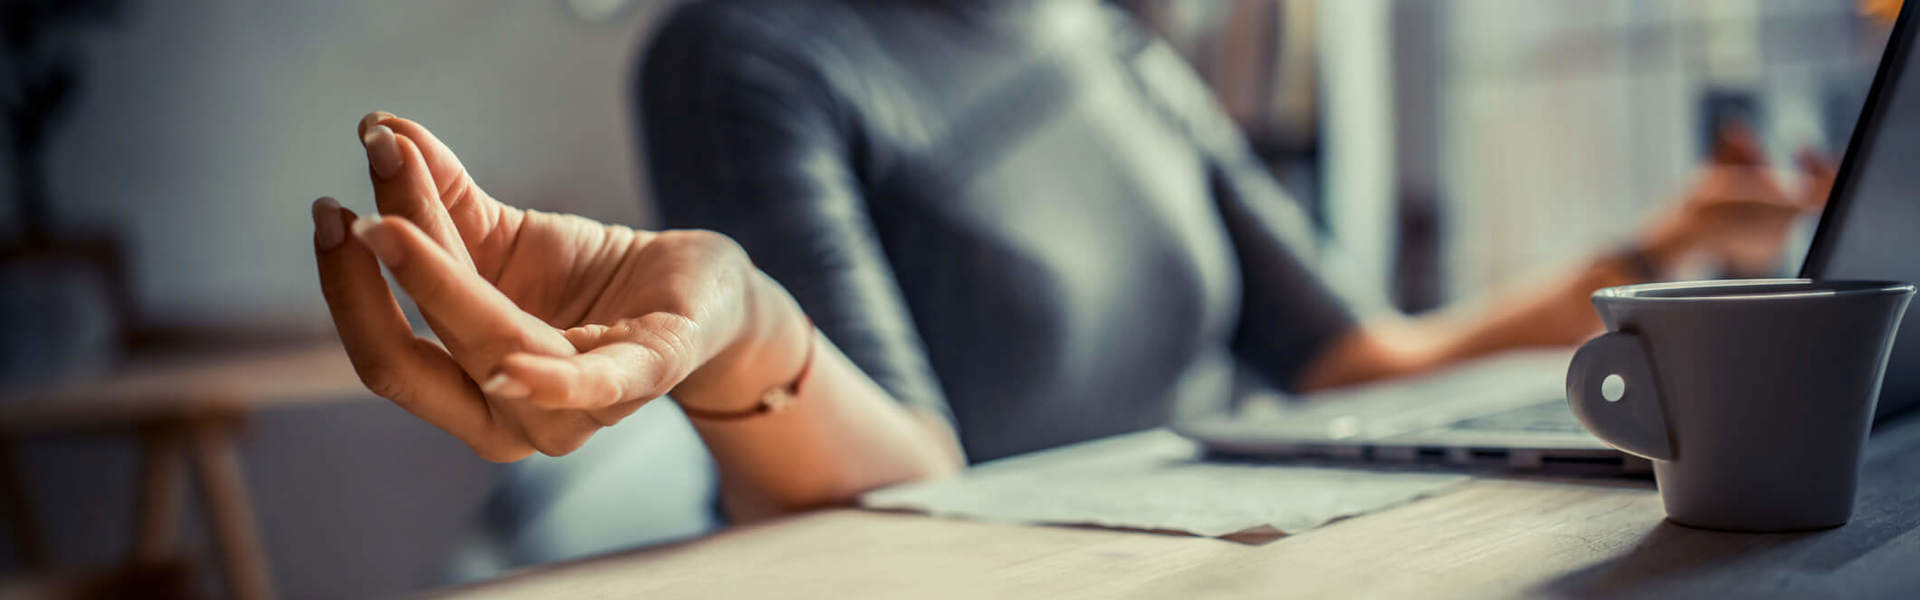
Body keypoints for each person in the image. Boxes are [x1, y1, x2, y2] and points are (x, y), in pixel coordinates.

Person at [309, 0, 1829, 522]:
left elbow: (1358, 360)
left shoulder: (1100, 33)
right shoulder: (741, 53)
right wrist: (749, 320)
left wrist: (1659, 255)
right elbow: (902, 485)